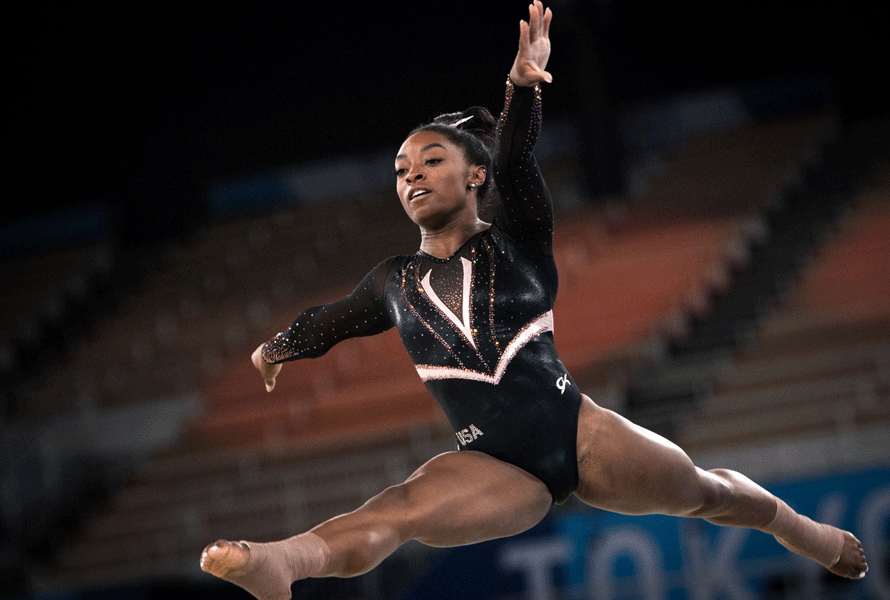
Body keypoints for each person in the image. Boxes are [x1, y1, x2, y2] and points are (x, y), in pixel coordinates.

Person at [200, 3, 868, 598]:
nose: (412, 177)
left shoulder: (517, 236)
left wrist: (521, 89)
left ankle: (802, 531)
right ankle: (283, 561)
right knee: (400, 508)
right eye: (402, 170)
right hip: (488, 466)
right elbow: (330, 321)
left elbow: (518, 157)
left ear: (475, 174)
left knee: (704, 492)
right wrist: (278, 347)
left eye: (431, 160)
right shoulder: (393, 281)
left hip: (579, 435)